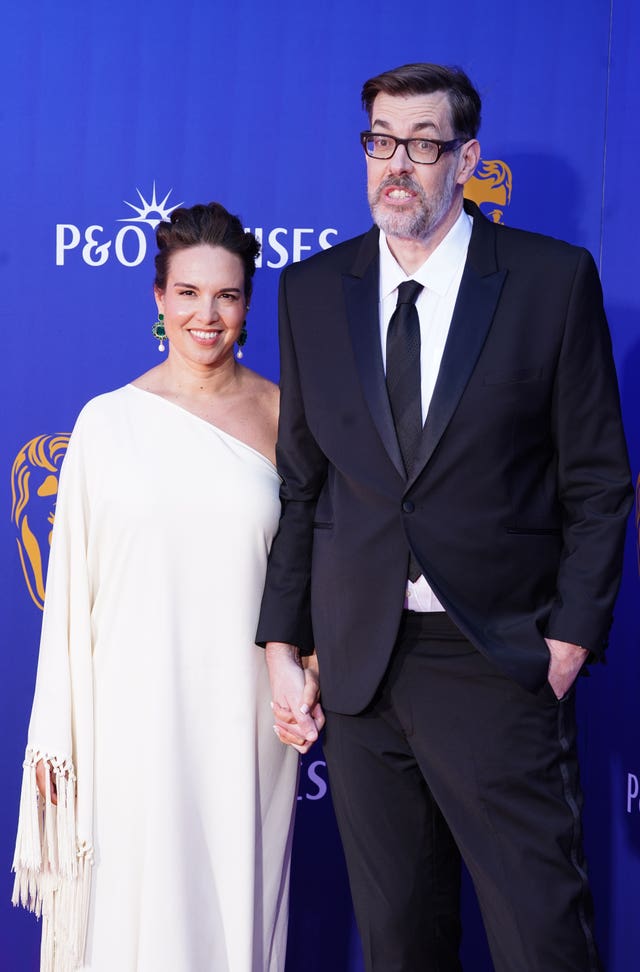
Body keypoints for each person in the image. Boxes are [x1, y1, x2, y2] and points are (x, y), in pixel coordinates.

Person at [257, 63, 633, 971]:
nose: (398, 165)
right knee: (398, 943)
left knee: (540, 935)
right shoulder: (312, 290)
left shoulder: (550, 280)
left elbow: (598, 481)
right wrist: (282, 646)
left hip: (497, 660)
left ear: (466, 158)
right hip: (360, 671)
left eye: (423, 145)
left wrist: (567, 643)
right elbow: (304, 484)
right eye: (381, 142)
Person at [12, 202, 306, 972]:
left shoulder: (287, 417)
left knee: (232, 908)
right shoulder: (108, 424)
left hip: (247, 719)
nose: (206, 316)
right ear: (157, 298)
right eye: (187, 293)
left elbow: (318, 564)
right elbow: (73, 604)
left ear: (248, 304)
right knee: (134, 917)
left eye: (227, 296)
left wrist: (311, 667)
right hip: (130, 723)